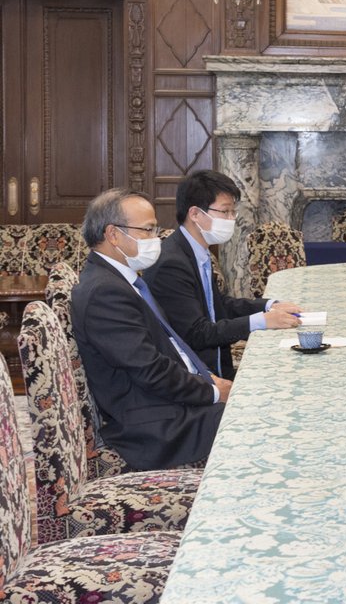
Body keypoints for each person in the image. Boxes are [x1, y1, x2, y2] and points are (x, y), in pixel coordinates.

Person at [72, 188, 229, 470]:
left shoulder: (120, 280)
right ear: (113, 234)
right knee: (257, 419)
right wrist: (212, 392)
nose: (156, 238)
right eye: (147, 230)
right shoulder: (104, 292)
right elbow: (150, 370)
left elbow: (168, 346)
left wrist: (207, 379)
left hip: (169, 403)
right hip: (155, 426)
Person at [143, 170, 301, 378]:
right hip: (197, 376)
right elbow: (197, 333)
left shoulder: (196, 250)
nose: (231, 219)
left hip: (215, 367)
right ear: (195, 214)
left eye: (233, 212)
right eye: (225, 212)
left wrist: (268, 306)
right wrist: (261, 321)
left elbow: (217, 305)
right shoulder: (171, 264)